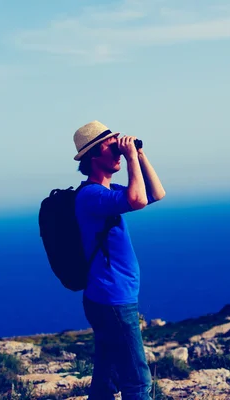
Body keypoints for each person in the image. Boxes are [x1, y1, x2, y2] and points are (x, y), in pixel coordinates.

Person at [72, 120, 166, 400]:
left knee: (108, 374)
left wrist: (138, 155)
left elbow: (156, 194)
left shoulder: (107, 193)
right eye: (110, 146)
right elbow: (137, 201)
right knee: (137, 380)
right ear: (93, 156)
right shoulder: (91, 195)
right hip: (112, 297)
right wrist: (128, 158)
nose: (116, 150)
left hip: (107, 296)